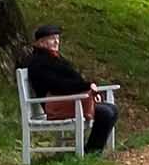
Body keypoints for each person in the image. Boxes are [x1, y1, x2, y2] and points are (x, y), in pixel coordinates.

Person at [22, 24, 117, 154]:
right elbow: (58, 85)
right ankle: (92, 151)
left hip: (70, 100)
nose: (56, 41)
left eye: (57, 38)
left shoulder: (55, 58)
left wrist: (89, 89)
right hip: (56, 106)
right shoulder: (39, 62)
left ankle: (93, 149)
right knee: (105, 112)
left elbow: (74, 79)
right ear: (41, 43)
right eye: (52, 39)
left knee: (112, 109)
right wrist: (86, 87)